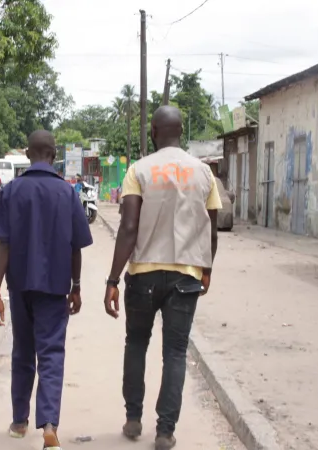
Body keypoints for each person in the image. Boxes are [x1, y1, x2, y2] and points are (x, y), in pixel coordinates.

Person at [103, 105, 221, 450]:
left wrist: (112, 280)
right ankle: (165, 431)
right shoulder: (204, 173)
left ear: (153, 132)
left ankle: (133, 418)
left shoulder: (138, 170)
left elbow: (128, 227)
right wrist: (207, 269)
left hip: (143, 275)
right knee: (176, 352)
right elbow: (212, 230)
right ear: (181, 131)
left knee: (136, 343)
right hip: (186, 275)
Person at [0, 130, 93, 450]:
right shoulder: (67, 192)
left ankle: (19, 422)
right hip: (55, 288)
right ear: (53, 154)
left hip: (19, 286)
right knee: (51, 354)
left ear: (27, 153)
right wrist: (76, 286)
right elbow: (76, 247)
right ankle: (48, 425)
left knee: (22, 350)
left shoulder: (11, 190)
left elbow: (4, 244)